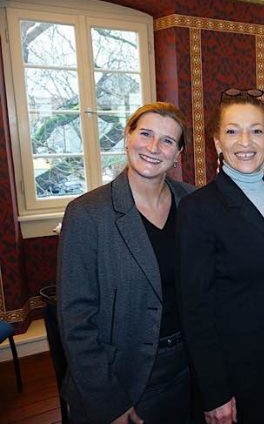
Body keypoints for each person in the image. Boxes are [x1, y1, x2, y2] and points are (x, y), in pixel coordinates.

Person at [177, 88, 264, 424]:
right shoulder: (199, 208)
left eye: (256, 131)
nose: (245, 142)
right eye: (232, 130)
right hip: (235, 361)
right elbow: (194, 308)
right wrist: (216, 391)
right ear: (216, 142)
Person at [57, 102, 195, 423]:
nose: (153, 147)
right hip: (122, 377)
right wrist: (109, 401)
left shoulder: (193, 203)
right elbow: (76, 319)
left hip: (187, 368)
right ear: (127, 136)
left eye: (167, 141)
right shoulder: (87, 213)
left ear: (178, 155)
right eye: (145, 134)